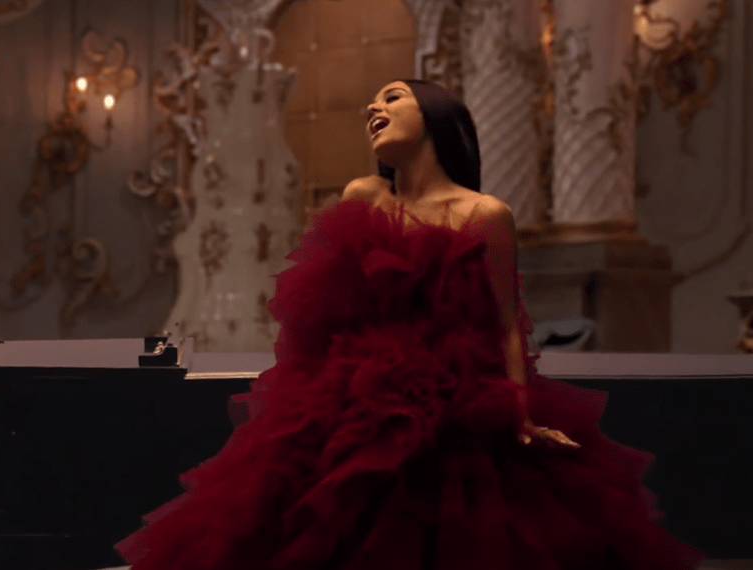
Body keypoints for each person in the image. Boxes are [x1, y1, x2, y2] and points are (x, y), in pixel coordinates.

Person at [116, 80, 703, 570]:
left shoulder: (485, 214)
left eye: (393, 97)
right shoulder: (364, 196)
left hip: (458, 400)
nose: (374, 107)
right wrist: (301, 391)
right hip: (353, 395)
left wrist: (519, 414)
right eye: (372, 102)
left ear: (437, 115)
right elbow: (321, 307)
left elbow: (506, 323)